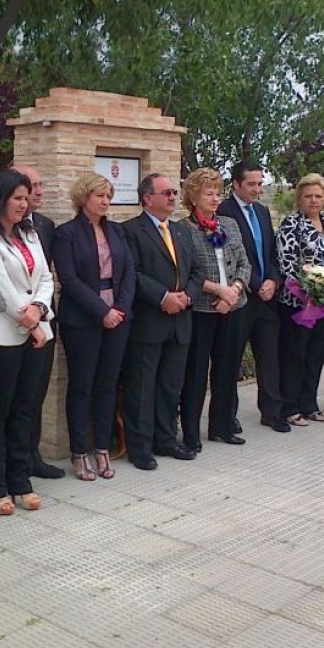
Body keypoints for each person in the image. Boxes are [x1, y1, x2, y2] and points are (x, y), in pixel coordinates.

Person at [0, 170, 55, 514]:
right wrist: (29, 320)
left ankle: (21, 481)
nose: (23, 203)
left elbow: (45, 277)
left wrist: (39, 310)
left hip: (34, 329)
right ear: (0, 198)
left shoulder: (29, 234)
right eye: (16, 197)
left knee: (24, 410)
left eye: (25, 197)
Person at [120, 173, 205, 470]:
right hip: (150, 320)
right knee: (142, 387)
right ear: (147, 198)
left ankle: (166, 439)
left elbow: (197, 270)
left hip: (180, 319)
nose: (172, 197)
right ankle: (140, 447)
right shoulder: (131, 230)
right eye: (166, 192)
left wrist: (187, 297)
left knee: (170, 385)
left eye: (174, 192)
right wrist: (163, 297)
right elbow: (132, 272)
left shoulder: (181, 231)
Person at [54, 173, 135, 480]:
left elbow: (128, 273)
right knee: (82, 385)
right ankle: (78, 452)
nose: (105, 201)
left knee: (108, 384)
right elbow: (69, 280)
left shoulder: (116, 231)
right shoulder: (66, 234)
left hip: (118, 316)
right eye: (99, 195)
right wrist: (102, 311)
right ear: (84, 198)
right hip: (82, 319)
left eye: (108, 196)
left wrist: (120, 310)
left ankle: (102, 448)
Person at [178, 167, 250, 450]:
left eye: (218, 193)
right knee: (195, 374)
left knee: (227, 370)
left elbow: (244, 262)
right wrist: (217, 290)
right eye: (209, 193)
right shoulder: (183, 229)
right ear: (194, 197)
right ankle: (191, 434)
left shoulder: (229, 224)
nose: (215, 198)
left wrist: (234, 290)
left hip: (233, 305)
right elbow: (187, 272)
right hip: (203, 310)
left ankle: (222, 426)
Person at [217, 161, 288, 434]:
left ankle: (272, 412)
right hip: (240, 296)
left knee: (269, 357)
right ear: (235, 184)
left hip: (267, 298)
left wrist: (273, 279)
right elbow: (225, 257)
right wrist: (256, 283)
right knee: (231, 359)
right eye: (251, 184)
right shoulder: (223, 212)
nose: (257, 189)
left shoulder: (261, 210)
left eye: (260, 184)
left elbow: (270, 251)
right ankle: (228, 417)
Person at [275, 173, 324, 427]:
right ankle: (290, 406)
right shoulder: (291, 224)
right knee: (296, 354)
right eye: (308, 196)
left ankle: (310, 404)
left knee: (317, 353)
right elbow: (287, 264)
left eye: (318, 196)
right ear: (300, 198)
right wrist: (309, 290)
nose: (314, 200)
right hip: (300, 302)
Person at [12, 164, 66, 480]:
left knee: (36, 393)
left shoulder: (45, 226)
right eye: (33, 185)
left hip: (44, 321)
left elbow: (46, 276)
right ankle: (12, 459)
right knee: (14, 398)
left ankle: (32, 455)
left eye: (41, 184)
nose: (39, 191)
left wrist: (42, 314)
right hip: (13, 323)